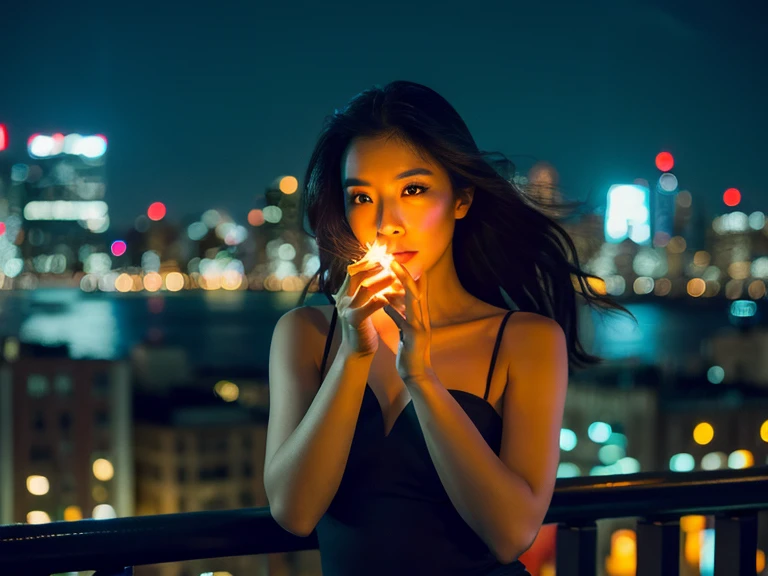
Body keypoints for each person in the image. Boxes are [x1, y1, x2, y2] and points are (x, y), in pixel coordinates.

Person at [264, 80, 631, 576]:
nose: (386, 223)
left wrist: (422, 377)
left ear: (461, 199)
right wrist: (353, 356)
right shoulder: (307, 334)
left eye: (412, 190)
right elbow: (294, 511)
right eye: (362, 197)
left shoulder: (525, 341)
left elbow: (511, 535)